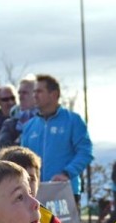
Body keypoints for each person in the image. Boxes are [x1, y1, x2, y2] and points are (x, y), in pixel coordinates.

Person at [0, 146, 77, 223]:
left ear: (38, 182)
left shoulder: (48, 221)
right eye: (18, 179)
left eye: (31, 179)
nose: (26, 185)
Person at [21, 74, 94, 206]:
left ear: (54, 94)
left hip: (64, 192)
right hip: (35, 194)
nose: (35, 95)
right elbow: (22, 160)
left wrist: (66, 173)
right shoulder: (29, 126)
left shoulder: (73, 120)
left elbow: (85, 152)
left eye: (39, 91)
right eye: (34, 92)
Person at [0, 76, 38, 149]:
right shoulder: (10, 124)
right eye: (19, 93)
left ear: (35, 95)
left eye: (25, 93)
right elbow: (3, 149)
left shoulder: (47, 120)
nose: (20, 97)